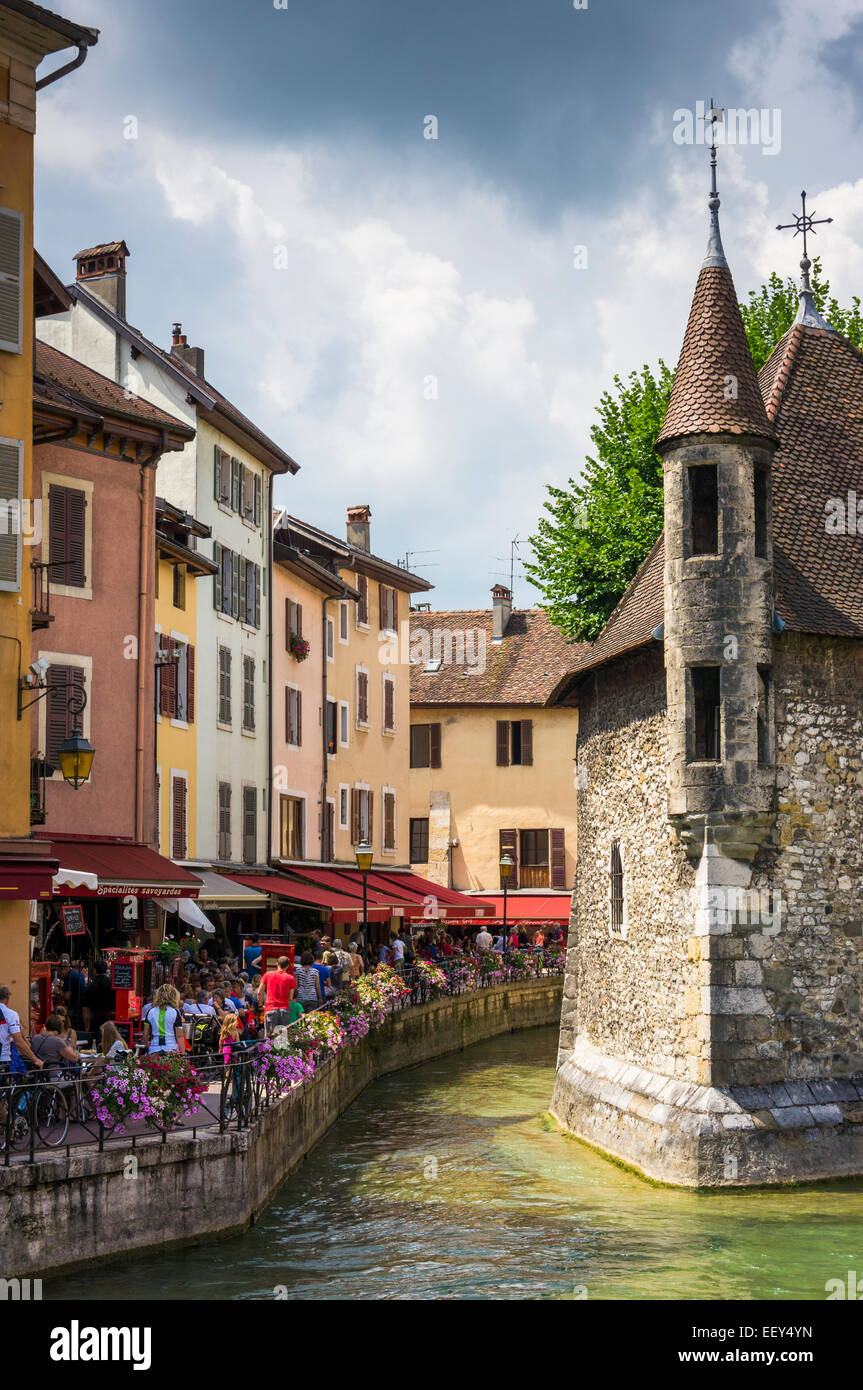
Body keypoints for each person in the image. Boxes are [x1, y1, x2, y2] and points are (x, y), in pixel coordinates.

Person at [0, 983, 43, 1074]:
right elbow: (18, 1041)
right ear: (7, 998)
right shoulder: (10, 1014)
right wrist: (35, 1059)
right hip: (3, 1058)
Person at [257, 955, 296, 1036]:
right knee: (283, 1039)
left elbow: (259, 992)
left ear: (277, 964)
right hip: (284, 1010)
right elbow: (290, 997)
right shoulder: (291, 978)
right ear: (288, 966)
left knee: (269, 1038)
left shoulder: (268, 974)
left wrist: (260, 1005)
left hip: (270, 1009)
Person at [142, 984, 184, 1055]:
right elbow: (179, 1035)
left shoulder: (150, 1011)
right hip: (171, 1050)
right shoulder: (175, 1012)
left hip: (154, 1049)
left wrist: (147, 1045)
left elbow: (145, 1034)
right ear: (173, 996)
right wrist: (183, 1053)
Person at [81, 961, 115, 1037]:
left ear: (95, 970)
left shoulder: (90, 986)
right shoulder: (112, 985)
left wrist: (87, 1025)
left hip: (96, 1020)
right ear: (106, 970)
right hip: (111, 1019)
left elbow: (86, 1009)